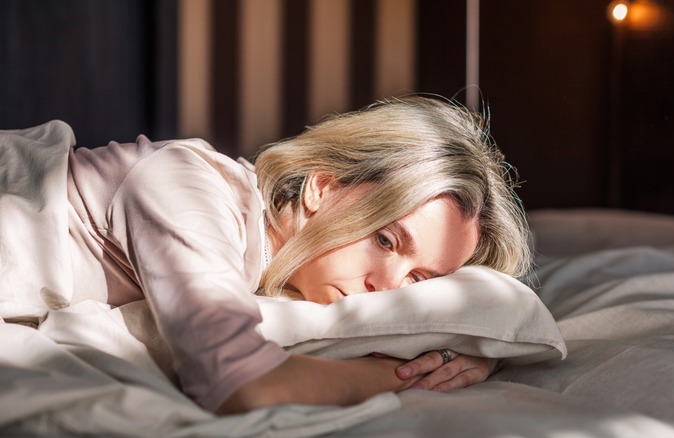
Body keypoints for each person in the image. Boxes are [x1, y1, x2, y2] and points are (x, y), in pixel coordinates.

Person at [0, 96, 532, 415]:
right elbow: (244, 386)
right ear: (322, 187)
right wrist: (419, 372)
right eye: (386, 240)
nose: (388, 289)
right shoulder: (187, 186)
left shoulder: (267, 270)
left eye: (419, 280)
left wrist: (465, 347)